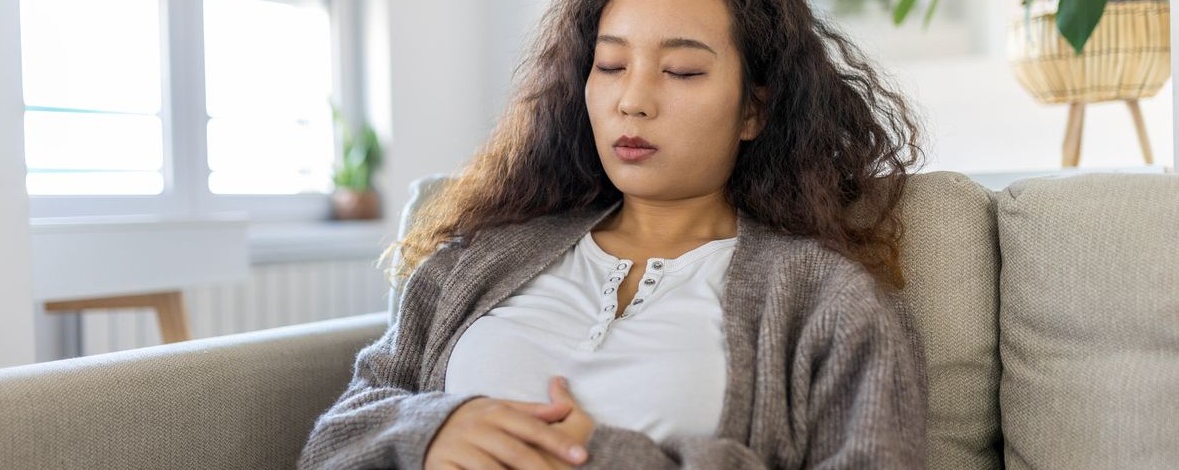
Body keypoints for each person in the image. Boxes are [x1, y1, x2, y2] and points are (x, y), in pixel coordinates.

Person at [298, 0, 928, 467]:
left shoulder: (828, 301)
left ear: (754, 110)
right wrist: (433, 427)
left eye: (681, 71)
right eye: (611, 64)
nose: (633, 100)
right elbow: (335, 436)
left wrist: (597, 453)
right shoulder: (477, 260)